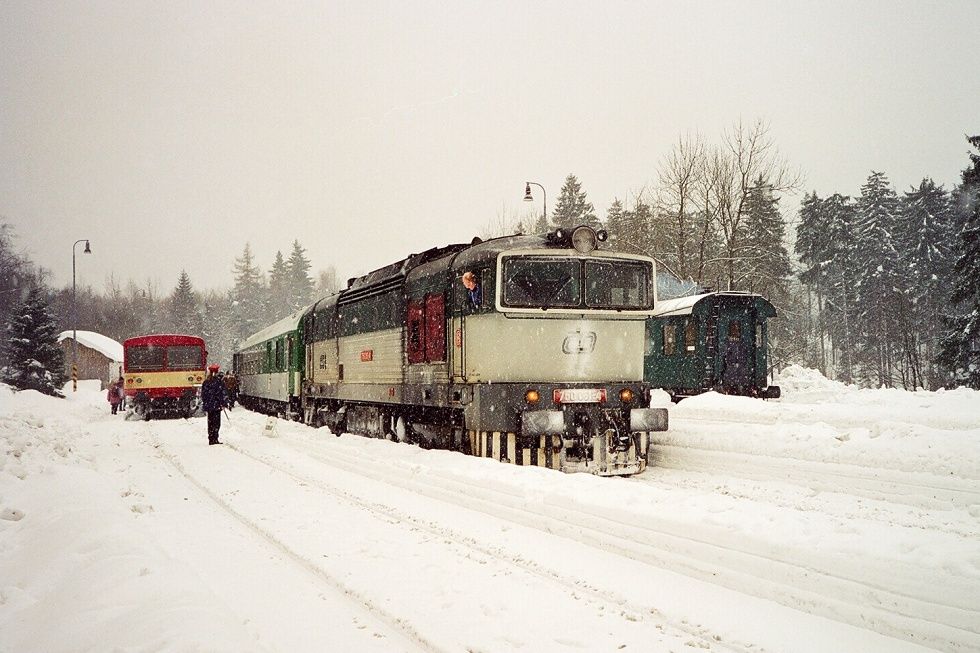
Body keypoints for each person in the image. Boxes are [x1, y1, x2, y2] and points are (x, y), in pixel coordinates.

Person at [200, 363, 228, 445]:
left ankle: (211, 438)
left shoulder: (206, 382)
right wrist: (223, 403)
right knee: (216, 423)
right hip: (217, 405)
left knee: (210, 422)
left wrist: (206, 402)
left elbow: (203, 394)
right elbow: (222, 393)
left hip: (209, 405)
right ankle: (215, 438)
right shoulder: (219, 382)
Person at [721, 322, 751, 394]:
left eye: (737, 328)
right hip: (731, 367)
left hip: (738, 368)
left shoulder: (741, 343)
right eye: (734, 328)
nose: (735, 330)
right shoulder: (728, 343)